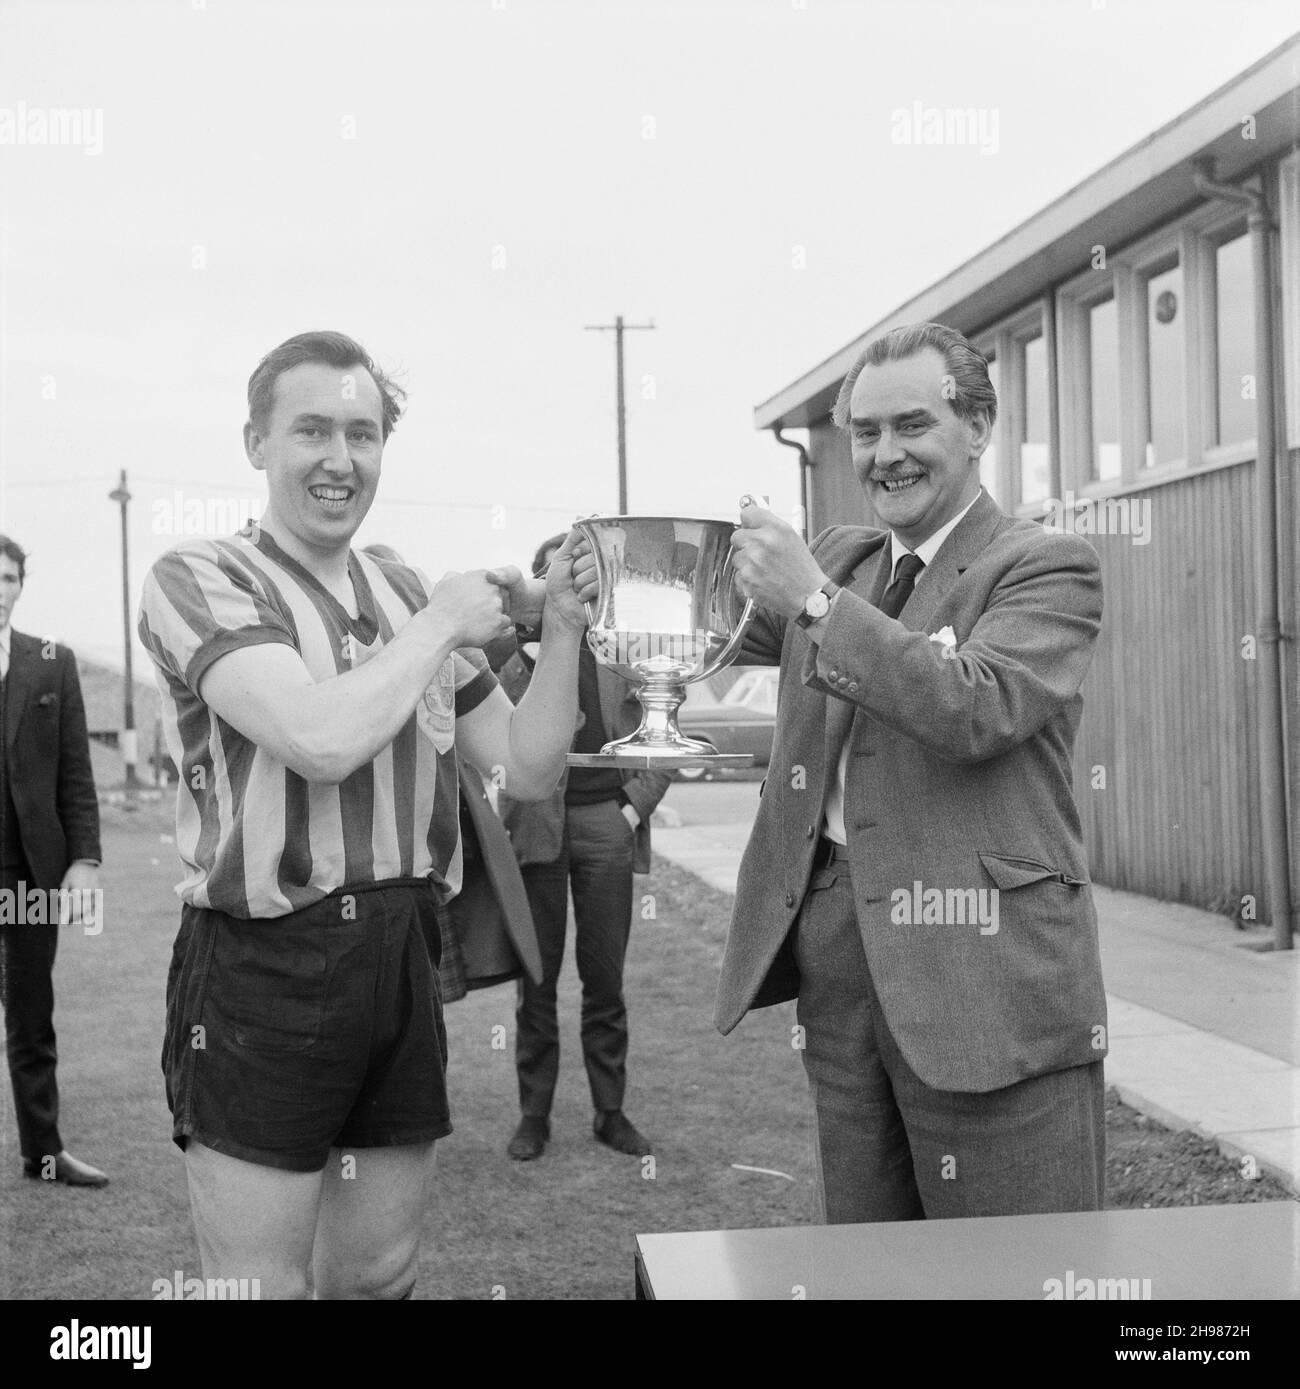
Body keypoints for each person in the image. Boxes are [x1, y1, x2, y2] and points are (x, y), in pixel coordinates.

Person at [137, 330, 586, 1298]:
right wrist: (437, 630)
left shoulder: (403, 588)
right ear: (256, 442)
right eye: (311, 432)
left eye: (363, 434)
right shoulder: (201, 575)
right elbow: (317, 739)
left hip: (402, 950)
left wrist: (562, 633)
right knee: (257, 1286)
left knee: (379, 1274)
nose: (340, 460)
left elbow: (528, 768)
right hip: (267, 963)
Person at [713, 322, 1108, 1223]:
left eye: (911, 426)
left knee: (1019, 1266)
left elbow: (975, 707)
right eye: (864, 431)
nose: (884, 454)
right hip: (841, 968)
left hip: (988, 973)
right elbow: (706, 625)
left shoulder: (1045, 566)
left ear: (978, 428)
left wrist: (813, 599)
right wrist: (570, 597)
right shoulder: (849, 560)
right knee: (868, 1259)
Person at [493, 534, 671, 1162]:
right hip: (536, 826)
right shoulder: (513, 660)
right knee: (535, 981)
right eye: (553, 578)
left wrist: (631, 810)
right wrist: (533, 647)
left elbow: (666, 730)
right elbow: (495, 737)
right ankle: (533, 1116)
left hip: (605, 824)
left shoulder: (625, 654)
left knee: (605, 980)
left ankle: (610, 1113)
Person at [0, 534, 108, 1187]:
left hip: (29, 878)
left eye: (7, 576)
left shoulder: (49, 662)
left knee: (32, 1018)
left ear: (19, 585)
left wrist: (85, 858)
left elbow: (76, 772)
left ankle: (44, 1154)